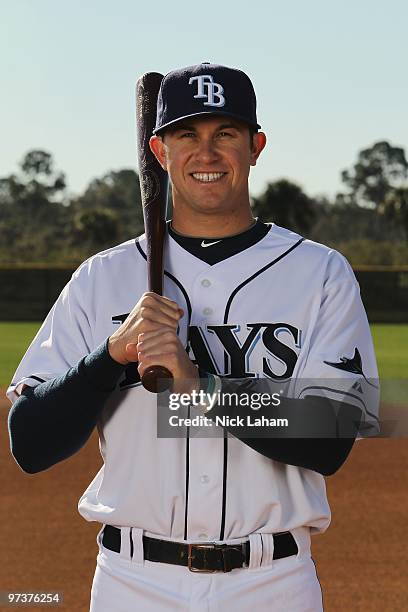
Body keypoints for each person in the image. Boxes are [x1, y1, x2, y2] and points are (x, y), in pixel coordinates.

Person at [7, 63, 379, 612]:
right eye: (187, 135)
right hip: (133, 583)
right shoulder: (102, 278)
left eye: (225, 134)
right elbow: (30, 443)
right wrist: (109, 358)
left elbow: (331, 438)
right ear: (159, 152)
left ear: (256, 147)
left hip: (272, 583)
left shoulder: (320, 273)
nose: (206, 154)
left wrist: (198, 381)